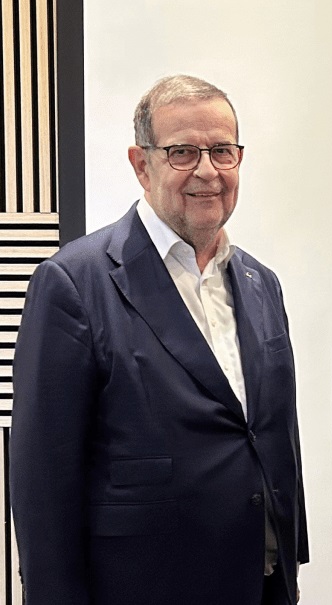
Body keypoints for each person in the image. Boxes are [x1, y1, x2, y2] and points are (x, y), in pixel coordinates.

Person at [10, 75, 308, 605]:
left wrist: (288, 567)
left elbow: (272, 435)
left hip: (258, 584)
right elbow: (43, 488)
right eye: (182, 152)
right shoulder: (74, 284)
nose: (207, 171)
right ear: (140, 164)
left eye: (222, 151)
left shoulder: (262, 283)